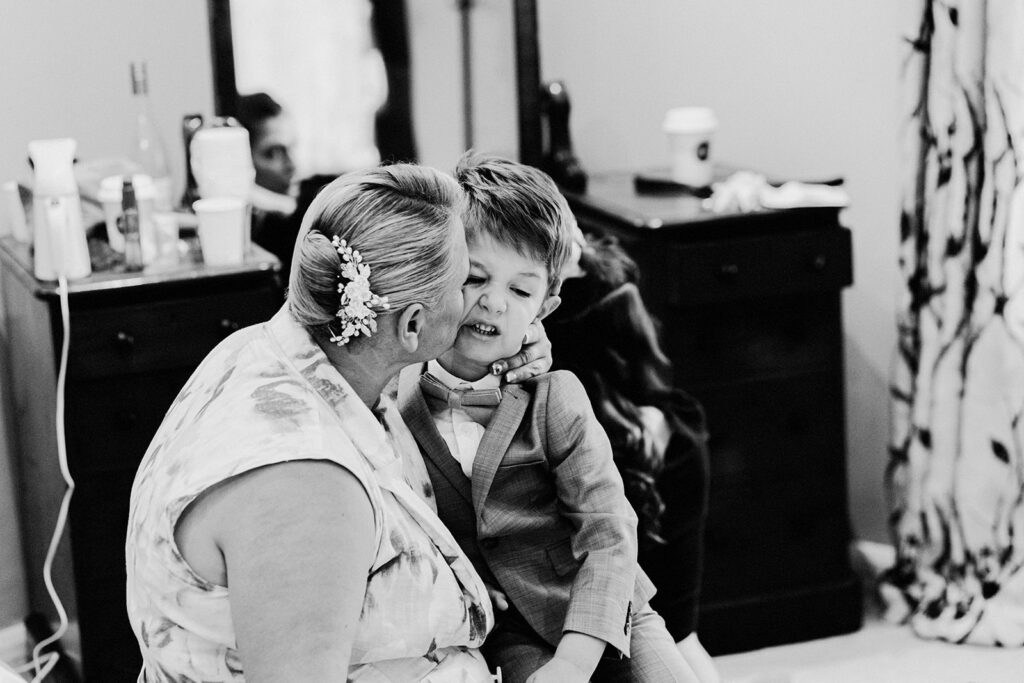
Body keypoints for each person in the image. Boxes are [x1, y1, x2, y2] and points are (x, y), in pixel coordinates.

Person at [125, 163, 551, 681]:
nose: (477, 300)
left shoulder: (270, 349)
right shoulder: (302, 487)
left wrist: (507, 347)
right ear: (413, 324)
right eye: (467, 283)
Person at [397, 153, 699, 682]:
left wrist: (576, 662)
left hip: (611, 607)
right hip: (512, 629)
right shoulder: (393, 396)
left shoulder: (556, 396)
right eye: (475, 277)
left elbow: (608, 532)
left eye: (519, 291)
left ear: (544, 309)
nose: (492, 302)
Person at [548, 229, 720, 682]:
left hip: (611, 613)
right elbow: (682, 631)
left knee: (671, 638)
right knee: (682, 637)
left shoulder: (570, 433)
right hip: (654, 615)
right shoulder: (681, 430)